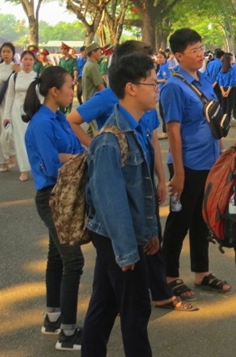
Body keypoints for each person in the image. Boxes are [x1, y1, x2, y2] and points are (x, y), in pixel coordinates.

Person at [67, 41, 197, 311]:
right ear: (130, 80)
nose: (155, 78)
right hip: (121, 186)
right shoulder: (110, 104)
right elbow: (73, 121)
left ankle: (159, 291)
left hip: (143, 183)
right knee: (126, 289)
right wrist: (98, 149)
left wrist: (162, 178)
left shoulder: (144, 105)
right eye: (147, 65)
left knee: (147, 244)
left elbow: (150, 140)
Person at [82, 54, 160, 356]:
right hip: (116, 236)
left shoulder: (134, 127)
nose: (157, 89)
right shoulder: (108, 140)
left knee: (104, 305)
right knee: (136, 309)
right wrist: (127, 251)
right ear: (131, 87)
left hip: (125, 235)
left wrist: (151, 231)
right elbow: (111, 202)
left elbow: (142, 193)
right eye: (152, 83)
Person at [160, 28, 232, 297]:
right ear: (178, 56)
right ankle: (169, 276)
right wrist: (178, 173)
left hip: (209, 163)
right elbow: (173, 132)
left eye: (201, 48)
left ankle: (201, 273)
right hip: (186, 165)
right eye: (194, 50)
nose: (200, 54)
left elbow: (214, 122)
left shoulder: (204, 80)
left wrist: (222, 159)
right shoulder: (173, 87)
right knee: (179, 221)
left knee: (202, 220)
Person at [23, 66, 85, 351]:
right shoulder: (41, 123)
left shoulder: (58, 118)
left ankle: (53, 318)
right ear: (54, 91)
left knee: (57, 257)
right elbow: (51, 164)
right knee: (73, 260)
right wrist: (73, 157)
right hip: (52, 197)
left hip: (65, 194)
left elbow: (71, 152)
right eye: (71, 86)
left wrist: (71, 156)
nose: (74, 91)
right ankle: (68, 334)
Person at [3, 50, 38, 181]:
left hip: (32, 111)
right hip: (17, 111)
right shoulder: (15, 77)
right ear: (21, 61)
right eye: (25, 59)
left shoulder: (37, 76)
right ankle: (23, 169)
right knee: (20, 139)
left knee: (33, 140)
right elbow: (10, 96)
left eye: (30, 59)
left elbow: (41, 97)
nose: (28, 62)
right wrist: (6, 115)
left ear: (34, 62)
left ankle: (36, 166)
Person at [0, 42, 19, 171]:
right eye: (4, 51)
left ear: (13, 53)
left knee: (11, 131)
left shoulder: (17, 67)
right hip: (1, 102)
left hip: (13, 102)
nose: (5, 54)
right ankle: (3, 161)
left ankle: (12, 154)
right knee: (0, 132)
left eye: (8, 51)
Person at [155, 50, 171, 139]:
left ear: (165, 58)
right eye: (157, 57)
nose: (159, 59)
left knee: (164, 113)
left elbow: (167, 79)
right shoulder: (160, 67)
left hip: (164, 92)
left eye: (161, 57)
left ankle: (166, 132)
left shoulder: (164, 68)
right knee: (162, 113)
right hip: (160, 92)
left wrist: (156, 81)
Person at [59, 43, 78, 114]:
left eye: (62, 49)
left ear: (66, 50)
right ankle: (61, 111)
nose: (61, 51)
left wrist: (75, 78)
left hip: (70, 81)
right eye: (61, 49)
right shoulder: (61, 60)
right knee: (61, 94)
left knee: (69, 95)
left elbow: (75, 69)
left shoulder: (73, 60)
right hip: (61, 80)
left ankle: (68, 111)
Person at [217, 53, 234, 122]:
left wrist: (223, 91)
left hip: (222, 89)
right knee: (229, 107)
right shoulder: (231, 70)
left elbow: (220, 82)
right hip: (230, 90)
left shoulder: (221, 70)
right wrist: (228, 91)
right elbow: (232, 82)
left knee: (223, 105)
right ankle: (227, 121)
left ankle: (222, 120)